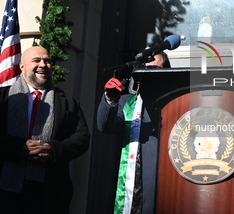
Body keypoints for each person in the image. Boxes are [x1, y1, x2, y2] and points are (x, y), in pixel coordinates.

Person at [0, 46, 90, 214]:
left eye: (47, 61)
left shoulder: (67, 102)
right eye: (36, 60)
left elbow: (82, 137)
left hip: (49, 194)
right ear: (22, 66)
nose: (43, 64)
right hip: (5, 192)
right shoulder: (4, 98)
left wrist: (55, 150)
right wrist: (19, 147)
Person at [97, 51, 170, 214]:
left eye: (155, 69)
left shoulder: (177, 103)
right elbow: (105, 126)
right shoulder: (128, 102)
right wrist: (110, 99)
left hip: (169, 182)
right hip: (136, 184)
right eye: (146, 69)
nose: (150, 74)